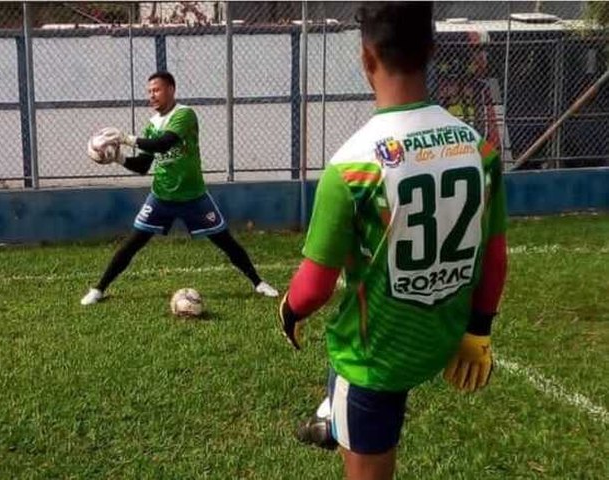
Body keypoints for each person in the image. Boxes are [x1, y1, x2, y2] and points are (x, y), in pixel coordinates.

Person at [277, 3, 508, 479]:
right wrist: (479, 330)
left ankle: (336, 419)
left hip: (377, 357)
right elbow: (496, 256)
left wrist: (290, 310)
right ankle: (331, 419)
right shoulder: (479, 149)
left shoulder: (350, 167)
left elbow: (314, 289)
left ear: (366, 58)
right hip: (441, 339)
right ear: (431, 51)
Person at [81, 71, 279, 305]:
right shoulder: (152, 125)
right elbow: (144, 165)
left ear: (171, 90)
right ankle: (99, 289)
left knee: (225, 240)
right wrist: (119, 158)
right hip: (161, 196)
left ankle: (258, 283)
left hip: (194, 196)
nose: (151, 95)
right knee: (132, 243)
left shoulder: (184, 115)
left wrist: (126, 138)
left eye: (156, 90)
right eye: (149, 91)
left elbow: (165, 143)